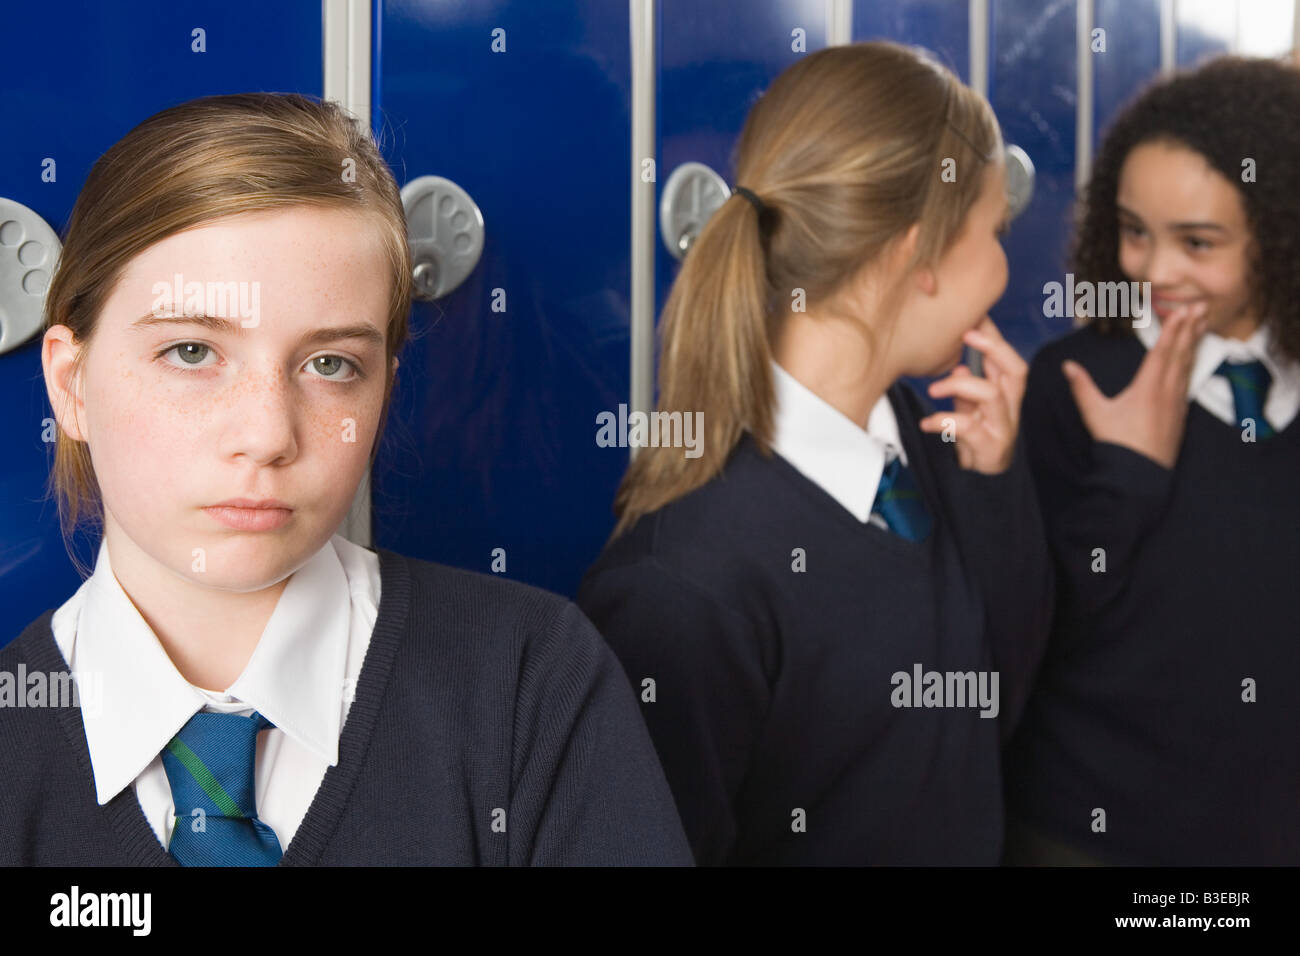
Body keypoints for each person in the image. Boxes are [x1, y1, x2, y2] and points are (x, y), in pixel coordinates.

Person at [0, 92, 691, 866]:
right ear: (71, 383)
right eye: (191, 352)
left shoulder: (532, 683)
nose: (266, 435)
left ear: (383, 391)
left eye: (330, 365)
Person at [577, 41, 1053, 865]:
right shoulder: (683, 588)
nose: (1007, 270)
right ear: (918, 255)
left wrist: (996, 486)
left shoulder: (931, 446)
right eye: (996, 231)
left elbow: (990, 717)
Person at [1003, 55, 1300, 865]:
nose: (1154, 271)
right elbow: (1029, 630)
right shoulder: (1071, 385)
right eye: (1134, 231)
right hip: (1093, 841)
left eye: (1198, 243)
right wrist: (1127, 476)